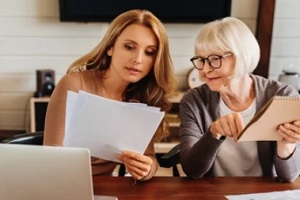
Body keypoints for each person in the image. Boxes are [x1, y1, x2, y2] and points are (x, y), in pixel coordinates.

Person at [43, 9, 177, 181]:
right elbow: (52, 156)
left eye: (149, 52)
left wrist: (146, 169)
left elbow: (150, 158)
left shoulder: (142, 97)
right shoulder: (75, 85)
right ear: (110, 47)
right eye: (129, 47)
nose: (138, 59)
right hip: (63, 186)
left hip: (105, 190)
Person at [178, 17, 300, 182]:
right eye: (201, 60)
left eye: (214, 59)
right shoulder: (194, 100)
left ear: (241, 55)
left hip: (263, 194)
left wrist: (286, 145)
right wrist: (213, 134)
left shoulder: (283, 96)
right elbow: (192, 170)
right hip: (213, 194)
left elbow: (289, 177)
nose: (205, 70)